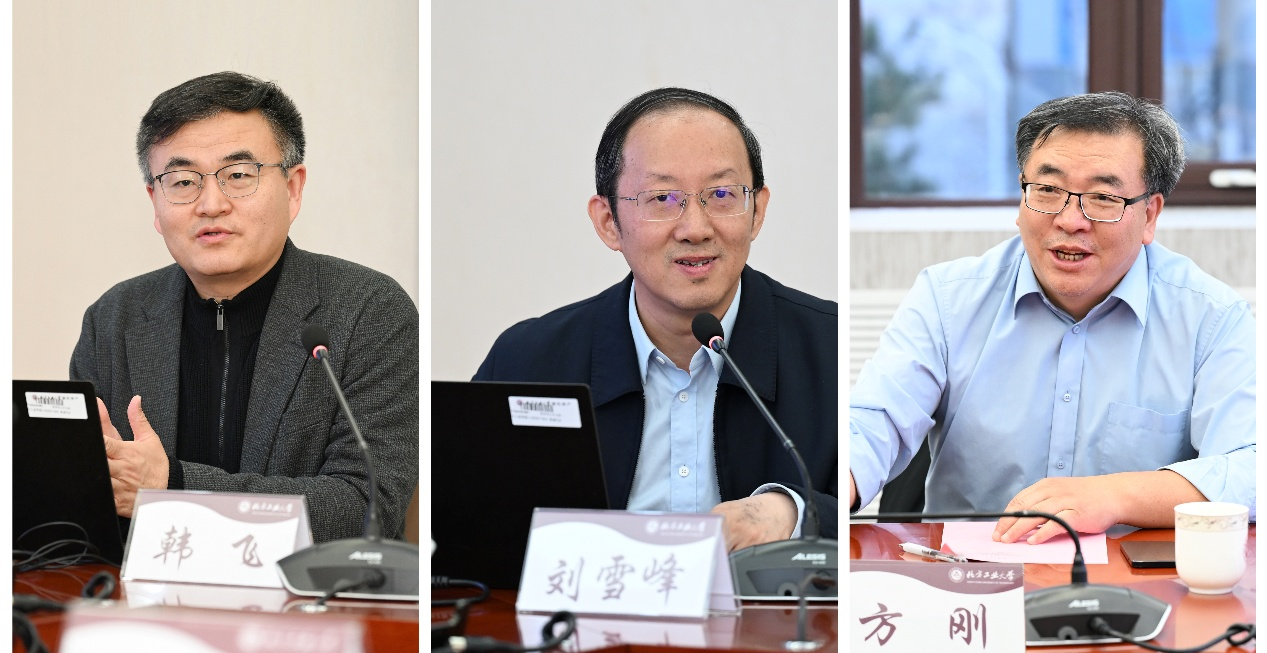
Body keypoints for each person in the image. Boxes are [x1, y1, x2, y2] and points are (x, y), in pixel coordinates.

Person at [850, 91, 1255, 544]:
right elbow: (872, 423)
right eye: (1047, 190)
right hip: (969, 572)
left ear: (1149, 215)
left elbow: (1251, 465)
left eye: (1102, 197)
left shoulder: (1211, 318)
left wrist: (1116, 496)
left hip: (1132, 575)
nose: (1070, 220)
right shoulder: (946, 300)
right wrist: (819, 491)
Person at [474, 88, 838, 549]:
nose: (695, 228)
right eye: (662, 198)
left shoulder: (829, 350)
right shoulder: (527, 362)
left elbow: (871, 526)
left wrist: (795, 512)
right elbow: (471, 530)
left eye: (721, 194)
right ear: (608, 222)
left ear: (757, 211)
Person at [70, 72, 419, 543]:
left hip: (303, 588)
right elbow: (79, 504)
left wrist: (173, 485)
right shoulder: (114, 319)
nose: (211, 204)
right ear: (155, 201)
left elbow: (366, 508)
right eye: (183, 181)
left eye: (237, 175)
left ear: (293, 188)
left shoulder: (369, 312)